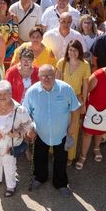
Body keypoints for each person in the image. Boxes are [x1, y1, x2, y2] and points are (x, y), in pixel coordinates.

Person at [22, 65, 80, 196]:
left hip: (61, 132)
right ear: (38, 76)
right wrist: (30, 128)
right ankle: (40, 178)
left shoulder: (65, 89)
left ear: (55, 76)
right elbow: (25, 113)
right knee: (39, 157)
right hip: (40, 133)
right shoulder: (32, 92)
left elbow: (76, 108)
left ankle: (61, 183)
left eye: (50, 75)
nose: (46, 78)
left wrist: (73, 125)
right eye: (43, 75)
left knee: (61, 159)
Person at [0, 80, 33, 197]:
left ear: (11, 94)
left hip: (9, 146)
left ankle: (11, 186)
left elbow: (29, 126)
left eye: (5, 94)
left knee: (9, 165)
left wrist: (18, 133)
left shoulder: (19, 110)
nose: (2, 97)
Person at [76, 53, 106, 170]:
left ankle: (96, 148)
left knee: (100, 130)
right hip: (93, 108)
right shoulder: (98, 75)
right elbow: (87, 91)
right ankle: (83, 156)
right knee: (88, 133)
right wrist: (83, 106)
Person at [55, 40, 91, 163]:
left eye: (75, 50)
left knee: (73, 128)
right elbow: (56, 81)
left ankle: (69, 156)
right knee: (59, 126)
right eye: (70, 49)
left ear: (79, 51)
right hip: (61, 99)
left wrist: (84, 103)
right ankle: (55, 152)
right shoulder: (62, 62)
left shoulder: (85, 65)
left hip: (76, 99)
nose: (72, 52)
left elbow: (86, 85)